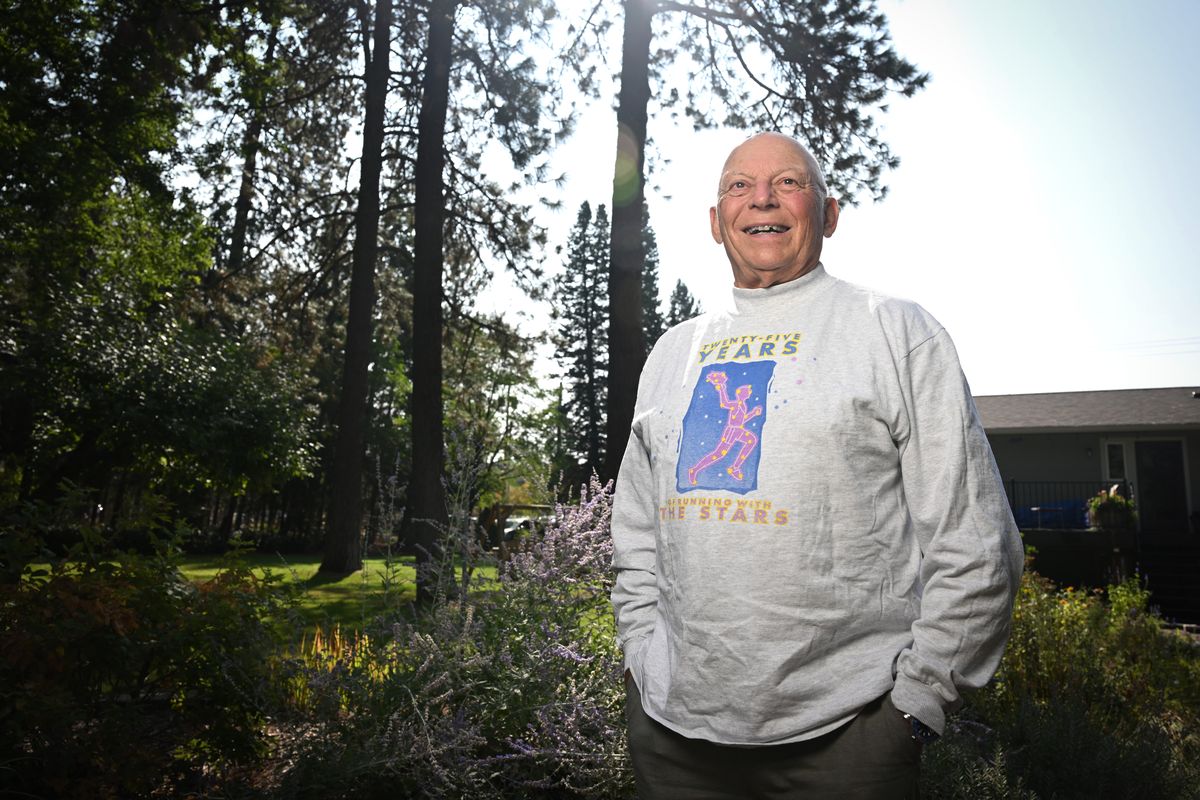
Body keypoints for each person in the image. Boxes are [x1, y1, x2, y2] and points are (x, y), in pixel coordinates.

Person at [610, 132, 1024, 799]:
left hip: (845, 747)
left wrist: (914, 710)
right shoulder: (671, 352)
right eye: (738, 186)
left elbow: (975, 545)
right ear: (717, 223)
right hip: (673, 743)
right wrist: (640, 659)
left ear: (827, 214)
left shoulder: (896, 332)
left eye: (789, 182)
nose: (763, 198)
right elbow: (634, 530)